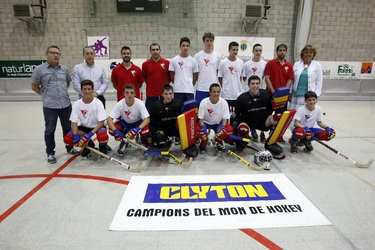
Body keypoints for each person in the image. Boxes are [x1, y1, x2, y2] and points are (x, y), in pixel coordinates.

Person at [31, 45, 73, 164]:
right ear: (47, 54)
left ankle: (69, 147)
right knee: (50, 130)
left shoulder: (64, 69)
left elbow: (68, 82)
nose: (56, 55)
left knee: (68, 128)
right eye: (53, 53)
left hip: (65, 104)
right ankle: (50, 152)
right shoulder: (40, 70)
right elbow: (34, 86)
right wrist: (45, 95)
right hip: (50, 106)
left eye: (58, 53)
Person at [235, 75, 283, 158]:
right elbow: (237, 115)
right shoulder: (242, 98)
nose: (255, 86)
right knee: (240, 127)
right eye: (253, 83)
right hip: (248, 123)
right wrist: (239, 129)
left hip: (262, 122)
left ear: (260, 84)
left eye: (257, 83)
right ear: (248, 85)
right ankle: (243, 142)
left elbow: (271, 110)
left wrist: (271, 119)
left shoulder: (266, 94)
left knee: (277, 119)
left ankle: (271, 143)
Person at [63, 80, 109, 157]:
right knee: (68, 138)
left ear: (92, 90)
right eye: (84, 89)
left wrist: (91, 133)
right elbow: (73, 122)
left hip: (97, 127)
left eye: (89, 89)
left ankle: (103, 148)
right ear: (81, 90)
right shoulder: (77, 104)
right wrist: (76, 135)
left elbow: (101, 122)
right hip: (84, 127)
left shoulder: (98, 103)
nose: (87, 91)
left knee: (102, 134)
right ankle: (90, 145)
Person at [107, 85, 150, 156]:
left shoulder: (140, 103)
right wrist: (116, 131)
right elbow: (109, 119)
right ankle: (124, 141)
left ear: (135, 94)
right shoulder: (120, 104)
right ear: (124, 94)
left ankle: (144, 142)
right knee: (111, 130)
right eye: (127, 93)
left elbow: (147, 119)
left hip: (137, 124)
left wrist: (138, 129)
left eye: (131, 93)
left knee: (146, 129)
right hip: (125, 124)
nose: (129, 95)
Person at [241, 43, 267, 142]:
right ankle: (252, 130)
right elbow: (244, 78)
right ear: (253, 51)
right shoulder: (247, 64)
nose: (258, 52)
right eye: (256, 50)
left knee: (261, 113)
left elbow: (265, 77)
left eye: (260, 50)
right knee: (251, 112)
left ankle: (262, 132)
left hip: (260, 92)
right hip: (249, 93)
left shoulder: (264, 64)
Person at [198, 83, 232, 152]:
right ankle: (203, 143)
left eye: (218, 92)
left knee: (225, 132)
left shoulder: (224, 102)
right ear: (210, 92)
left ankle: (217, 140)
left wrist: (220, 130)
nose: (216, 94)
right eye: (214, 92)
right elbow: (200, 120)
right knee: (203, 135)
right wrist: (205, 130)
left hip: (217, 124)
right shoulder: (203, 102)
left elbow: (225, 120)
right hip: (205, 123)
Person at [148, 85, 182, 149]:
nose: (168, 96)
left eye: (170, 94)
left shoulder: (178, 104)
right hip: (162, 129)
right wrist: (152, 134)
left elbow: (182, 119)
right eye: (166, 94)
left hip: (173, 129)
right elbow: (151, 123)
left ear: (173, 95)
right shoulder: (156, 106)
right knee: (159, 139)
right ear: (162, 95)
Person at [290, 45, 323, 109]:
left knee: (306, 115)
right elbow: (292, 79)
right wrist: (290, 92)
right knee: (294, 114)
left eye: (310, 52)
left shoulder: (317, 65)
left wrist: (316, 95)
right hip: (296, 95)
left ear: (313, 54)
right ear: (302, 54)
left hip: (309, 96)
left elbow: (319, 81)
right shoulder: (296, 64)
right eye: (306, 52)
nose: (308, 54)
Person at [169, 37, 199, 104]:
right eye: (183, 45)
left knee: (188, 112)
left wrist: (189, 84)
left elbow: (195, 76)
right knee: (178, 112)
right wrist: (178, 83)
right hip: (177, 91)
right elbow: (171, 76)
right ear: (180, 47)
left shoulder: (193, 61)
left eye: (187, 46)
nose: (185, 47)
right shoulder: (174, 60)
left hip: (189, 91)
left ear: (189, 47)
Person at [142, 43, 170, 111]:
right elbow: (145, 78)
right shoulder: (145, 64)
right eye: (153, 50)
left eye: (157, 49)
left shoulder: (167, 63)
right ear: (150, 51)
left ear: (160, 51)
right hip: (151, 96)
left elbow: (169, 78)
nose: (155, 51)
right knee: (150, 118)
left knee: (164, 118)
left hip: (164, 96)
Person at [194, 32, 220, 105]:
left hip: (213, 89)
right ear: (204, 42)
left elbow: (218, 72)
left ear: (213, 42)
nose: (209, 43)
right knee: (199, 111)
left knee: (213, 110)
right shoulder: (197, 56)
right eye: (207, 40)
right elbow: (195, 73)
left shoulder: (217, 56)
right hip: (201, 88)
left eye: (211, 41)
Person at [218, 41, 243, 114]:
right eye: (233, 49)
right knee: (226, 114)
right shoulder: (223, 62)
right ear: (229, 50)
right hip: (226, 94)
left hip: (237, 94)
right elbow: (220, 77)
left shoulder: (241, 62)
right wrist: (224, 88)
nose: (235, 51)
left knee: (236, 114)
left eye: (237, 50)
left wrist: (238, 87)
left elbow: (241, 77)